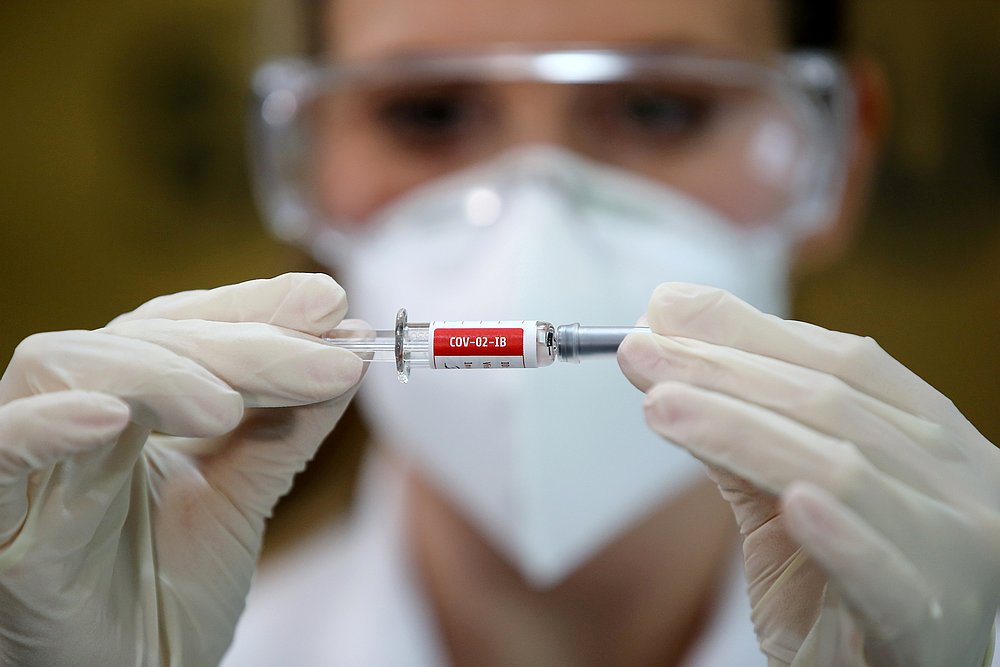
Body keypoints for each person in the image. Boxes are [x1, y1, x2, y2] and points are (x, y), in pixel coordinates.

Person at [0, 1, 998, 666]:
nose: (535, 215)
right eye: (428, 112)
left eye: (658, 107)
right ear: (299, 156)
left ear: (836, 153)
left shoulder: (961, 633)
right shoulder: (149, 643)